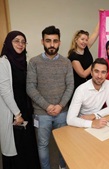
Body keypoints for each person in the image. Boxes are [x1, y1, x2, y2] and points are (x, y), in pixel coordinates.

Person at [26, 26, 74, 169]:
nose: (51, 44)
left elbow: (70, 86)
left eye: (55, 41)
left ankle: (62, 167)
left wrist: (60, 106)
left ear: (59, 42)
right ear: (42, 41)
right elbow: (30, 87)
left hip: (62, 112)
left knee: (64, 144)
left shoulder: (66, 62)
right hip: (41, 114)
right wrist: (47, 106)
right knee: (43, 145)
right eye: (48, 41)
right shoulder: (34, 62)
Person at [0, 31, 40, 169]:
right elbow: (4, 91)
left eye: (23, 41)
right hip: (13, 111)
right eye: (16, 41)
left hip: (25, 108)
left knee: (27, 144)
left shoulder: (23, 62)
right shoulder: (3, 62)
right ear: (9, 43)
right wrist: (17, 114)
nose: (20, 44)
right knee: (16, 145)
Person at [67, 58, 109, 128]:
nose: (99, 76)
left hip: (98, 119)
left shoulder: (108, 84)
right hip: (82, 123)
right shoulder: (81, 90)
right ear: (91, 72)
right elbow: (70, 119)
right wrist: (92, 124)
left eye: (103, 72)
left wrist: (94, 115)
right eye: (96, 71)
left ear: (107, 74)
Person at [68, 23, 99, 91]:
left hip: (90, 85)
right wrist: (95, 64)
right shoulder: (73, 56)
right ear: (76, 40)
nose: (84, 42)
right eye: (82, 39)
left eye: (86, 40)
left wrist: (102, 15)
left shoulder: (86, 48)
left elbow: (96, 32)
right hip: (79, 88)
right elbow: (83, 74)